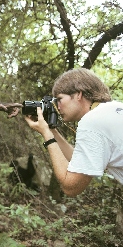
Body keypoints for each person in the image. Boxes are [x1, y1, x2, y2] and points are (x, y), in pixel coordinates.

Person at [24, 68, 123, 197]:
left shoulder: (92, 122)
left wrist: (47, 136)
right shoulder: (114, 108)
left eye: (59, 99)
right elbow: (79, 163)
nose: (57, 107)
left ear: (78, 94)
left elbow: (71, 187)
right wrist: (51, 130)